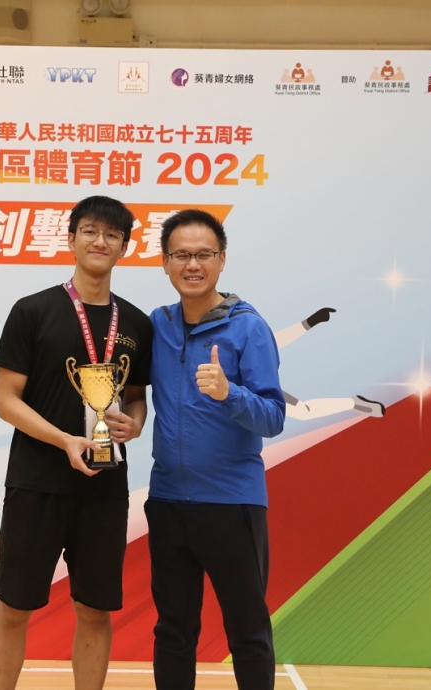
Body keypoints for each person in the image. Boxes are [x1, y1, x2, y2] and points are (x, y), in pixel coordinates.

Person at [0, 195, 152, 690]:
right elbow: (5, 400)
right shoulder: (32, 311)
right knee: (14, 607)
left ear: (124, 246)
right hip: (36, 483)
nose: (101, 241)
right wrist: (64, 441)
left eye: (112, 234)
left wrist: (135, 425)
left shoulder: (136, 323)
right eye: (90, 231)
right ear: (72, 238)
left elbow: (137, 399)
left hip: (105, 487)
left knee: (95, 610)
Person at [146, 209, 286, 690]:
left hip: (232, 503)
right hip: (168, 501)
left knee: (247, 632)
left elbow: (273, 417)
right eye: (181, 255)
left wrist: (230, 393)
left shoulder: (249, 329)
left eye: (204, 254)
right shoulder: (158, 325)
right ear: (165, 262)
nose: (193, 265)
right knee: (173, 631)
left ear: (222, 260)